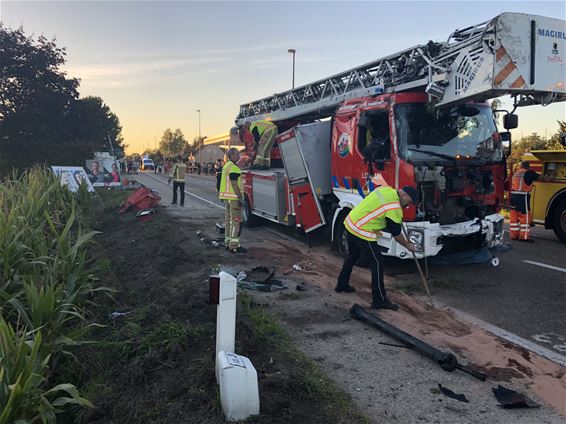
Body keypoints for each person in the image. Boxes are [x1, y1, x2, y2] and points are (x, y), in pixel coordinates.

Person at [335, 182, 419, 310]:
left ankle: (342, 284)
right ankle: (379, 300)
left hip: (351, 223)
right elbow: (396, 235)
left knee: (353, 255)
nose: (408, 206)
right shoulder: (394, 208)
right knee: (377, 262)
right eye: (409, 202)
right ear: (404, 195)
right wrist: (408, 245)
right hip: (362, 231)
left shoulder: (386, 190)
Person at [219, 147, 247, 253]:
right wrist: (240, 197)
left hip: (227, 198)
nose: (239, 156)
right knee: (236, 222)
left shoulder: (226, 166)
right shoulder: (234, 167)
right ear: (231, 156)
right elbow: (234, 184)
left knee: (228, 221)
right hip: (234, 198)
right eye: (237, 154)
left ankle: (228, 242)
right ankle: (234, 245)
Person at [509, 161, 540, 242]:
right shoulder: (528, 173)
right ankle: (524, 237)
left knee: (514, 215)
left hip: (513, 196)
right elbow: (539, 177)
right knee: (525, 216)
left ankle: (514, 235)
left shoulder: (516, 173)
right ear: (528, 167)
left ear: (521, 166)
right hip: (522, 196)